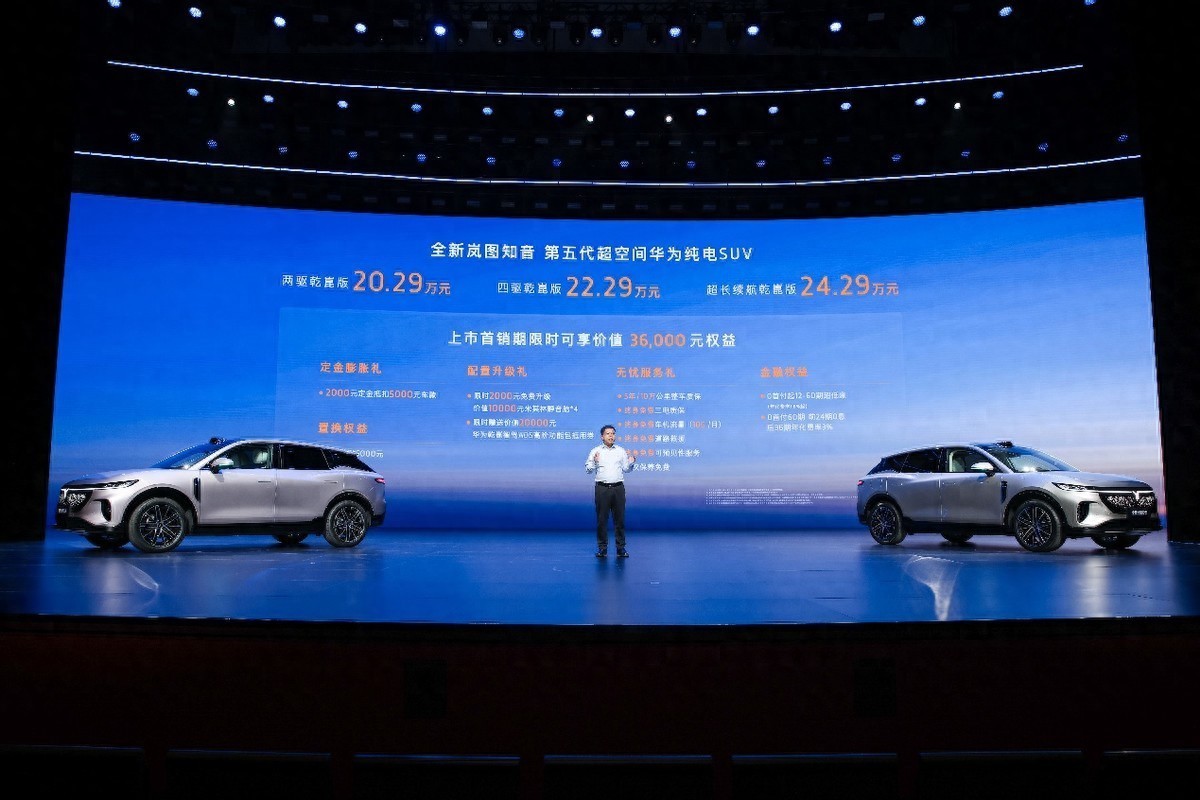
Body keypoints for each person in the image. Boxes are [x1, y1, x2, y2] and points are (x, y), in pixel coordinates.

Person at [585, 424, 636, 558]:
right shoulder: (596, 451)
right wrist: (595, 462)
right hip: (602, 488)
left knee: (620, 519)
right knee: (602, 519)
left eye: (613, 433)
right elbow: (588, 470)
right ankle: (602, 548)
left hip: (618, 488)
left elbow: (626, 469)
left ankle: (621, 548)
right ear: (602, 437)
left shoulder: (620, 451)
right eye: (608, 434)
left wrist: (631, 463)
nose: (611, 436)